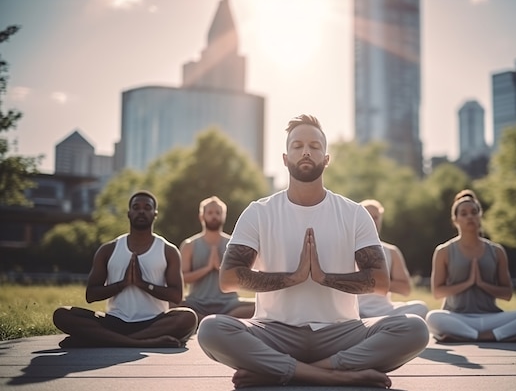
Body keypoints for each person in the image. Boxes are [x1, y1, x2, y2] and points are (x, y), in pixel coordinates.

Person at [196, 114, 429, 389]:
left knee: (414, 328)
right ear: (285, 158)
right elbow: (228, 279)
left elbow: (381, 282)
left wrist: (324, 277)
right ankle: (335, 375)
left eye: (315, 146)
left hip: (341, 332)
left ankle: (281, 371)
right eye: (297, 145)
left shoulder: (354, 213)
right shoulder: (258, 212)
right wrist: (292, 278)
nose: (306, 151)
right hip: (274, 332)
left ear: (326, 158)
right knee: (211, 329)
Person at [52, 190, 198, 348]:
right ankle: (139, 342)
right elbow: (91, 294)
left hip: (153, 322)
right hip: (114, 321)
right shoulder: (108, 249)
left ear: (155, 214)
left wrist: (143, 284)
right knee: (62, 314)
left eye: (147, 207)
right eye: (136, 207)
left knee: (188, 318)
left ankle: (101, 340)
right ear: (129, 213)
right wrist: (122, 284)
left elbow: (177, 296)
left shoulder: (168, 250)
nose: (141, 211)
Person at [425, 189, 516, 343]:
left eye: (474, 212)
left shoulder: (496, 251)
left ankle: (480, 335)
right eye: (464, 214)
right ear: (455, 220)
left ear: (480, 216)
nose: (469, 216)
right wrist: (468, 283)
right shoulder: (443, 251)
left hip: (492, 318)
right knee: (432, 318)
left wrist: (482, 284)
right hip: (458, 317)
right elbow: (438, 292)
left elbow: (507, 293)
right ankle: (499, 335)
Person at [177, 196, 255, 320]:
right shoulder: (189, 245)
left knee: (259, 306)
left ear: (223, 216)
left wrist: (220, 268)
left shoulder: (234, 244)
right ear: (202, 216)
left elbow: (241, 278)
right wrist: (207, 268)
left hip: (229, 304)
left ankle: (207, 320)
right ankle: (217, 320)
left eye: (218, 213)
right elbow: (183, 279)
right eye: (210, 213)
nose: (214, 216)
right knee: (170, 304)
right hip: (197, 303)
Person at [358, 199, 428, 319]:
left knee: (421, 308)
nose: (372, 220)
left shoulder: (391, 251)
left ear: (380, 220)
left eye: (376, 217)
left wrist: (378, 281)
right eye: (368, 216)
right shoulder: (346, 248)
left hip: (385, 310)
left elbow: (405, 289)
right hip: (357, 310)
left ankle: (381, 324)